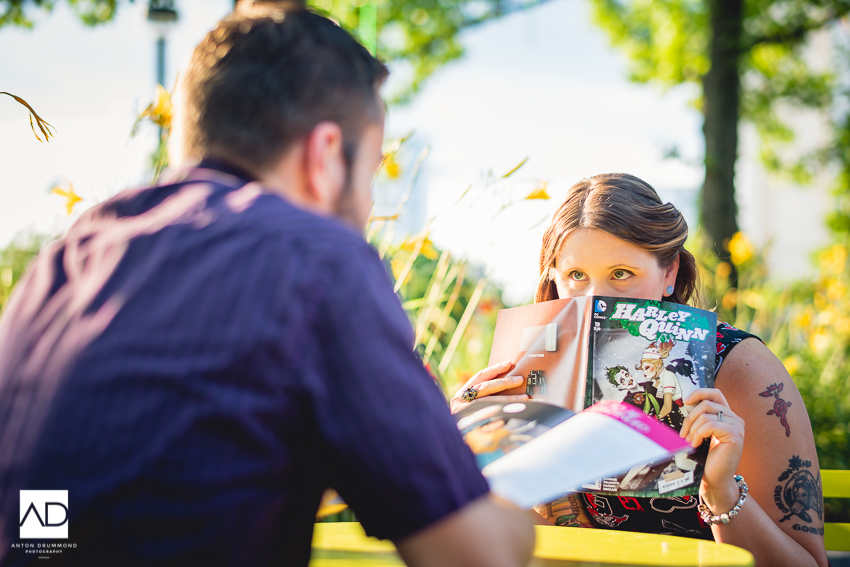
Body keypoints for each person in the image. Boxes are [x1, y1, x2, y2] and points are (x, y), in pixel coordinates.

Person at [0, 4, 534, 567]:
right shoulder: (317, 258)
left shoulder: (70, 256)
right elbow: (479, 556)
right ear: (326, 154)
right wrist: (516, 481)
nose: (373, 201)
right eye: (373, 168)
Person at [451, 173, 829, 567]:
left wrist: (721, 490)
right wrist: (467, 450)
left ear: (669, 274)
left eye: (621, 274)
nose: (596, 298)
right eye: (576, 276)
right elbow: (560, 547)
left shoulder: (741, 370)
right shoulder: (540, 372)